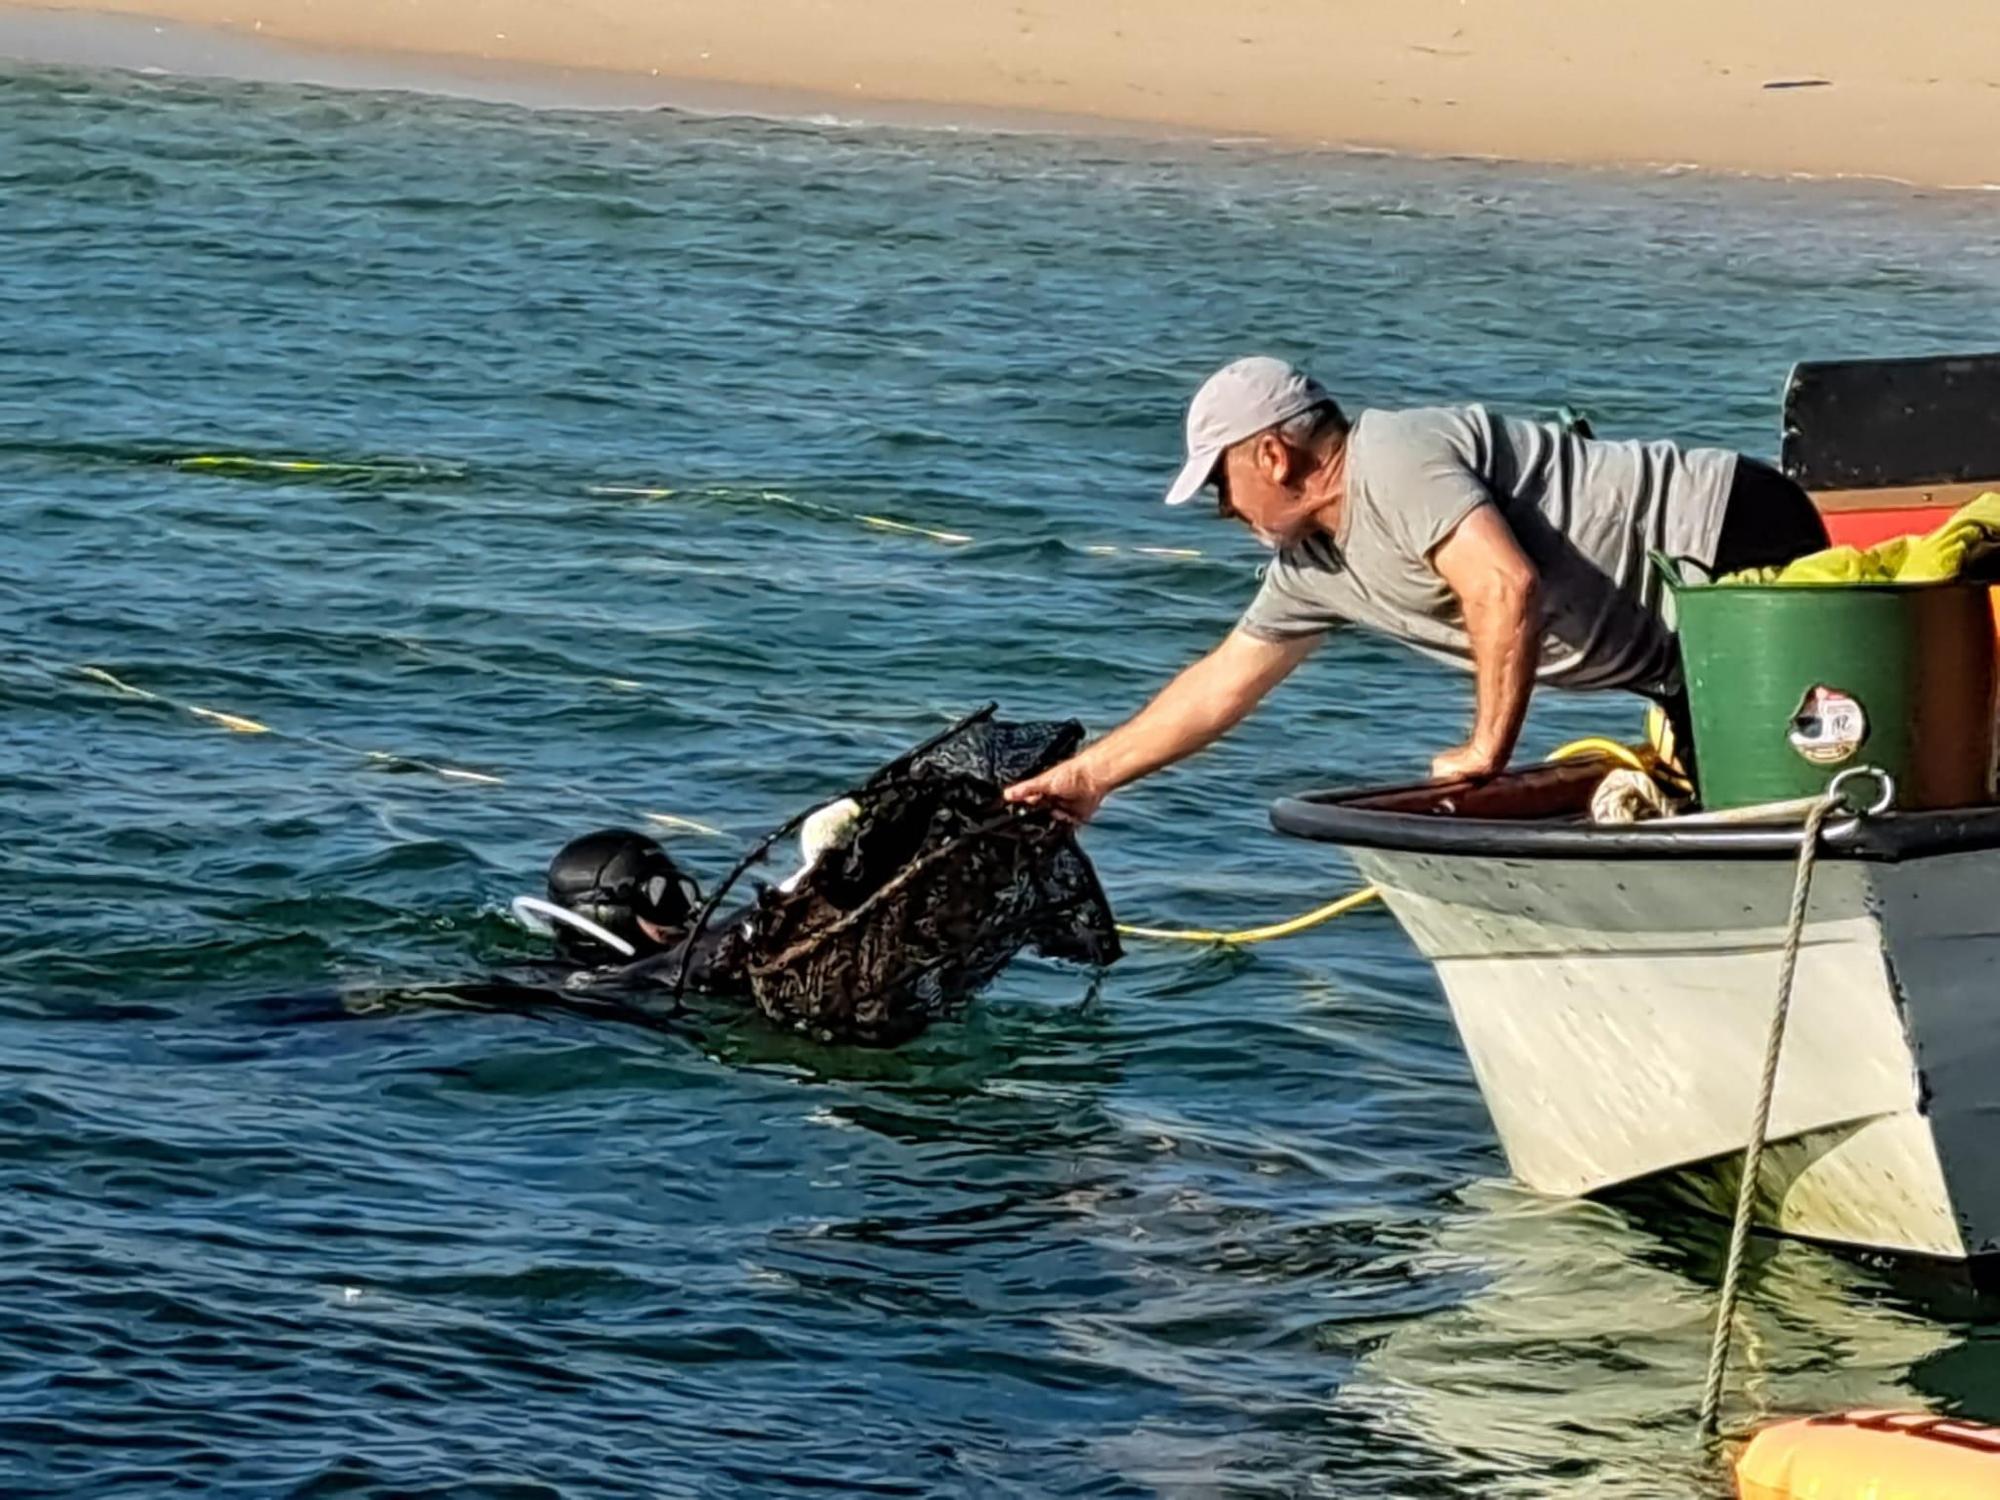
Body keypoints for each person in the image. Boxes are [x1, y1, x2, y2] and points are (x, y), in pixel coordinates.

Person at [1005, 356, 1828, 820]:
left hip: (1733, 530)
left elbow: (1504, 586)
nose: (1222, 511)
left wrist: (1485, 755)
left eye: (1219, 485)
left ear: (1272, 457)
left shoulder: (1393, 456)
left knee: (1787, 802)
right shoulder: (1315, 571)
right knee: (1738, 813)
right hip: (1682, 660)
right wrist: (1089, 777)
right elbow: (1222, 683)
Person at [527, 710, 1122, 1045]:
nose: (686, 904)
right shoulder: (605, 987)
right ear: (604, 913)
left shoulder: (689, 955)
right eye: (661, 895)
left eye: (683, 887)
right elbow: (695, 959)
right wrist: (808, 876)